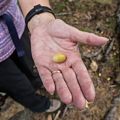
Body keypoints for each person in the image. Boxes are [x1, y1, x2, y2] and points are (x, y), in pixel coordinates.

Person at [0, 0, 108, 113]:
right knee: (17, 86)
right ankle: (40, 105)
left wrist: (40, 18)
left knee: (32, 65)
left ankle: (38, 83)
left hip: (15, 27)